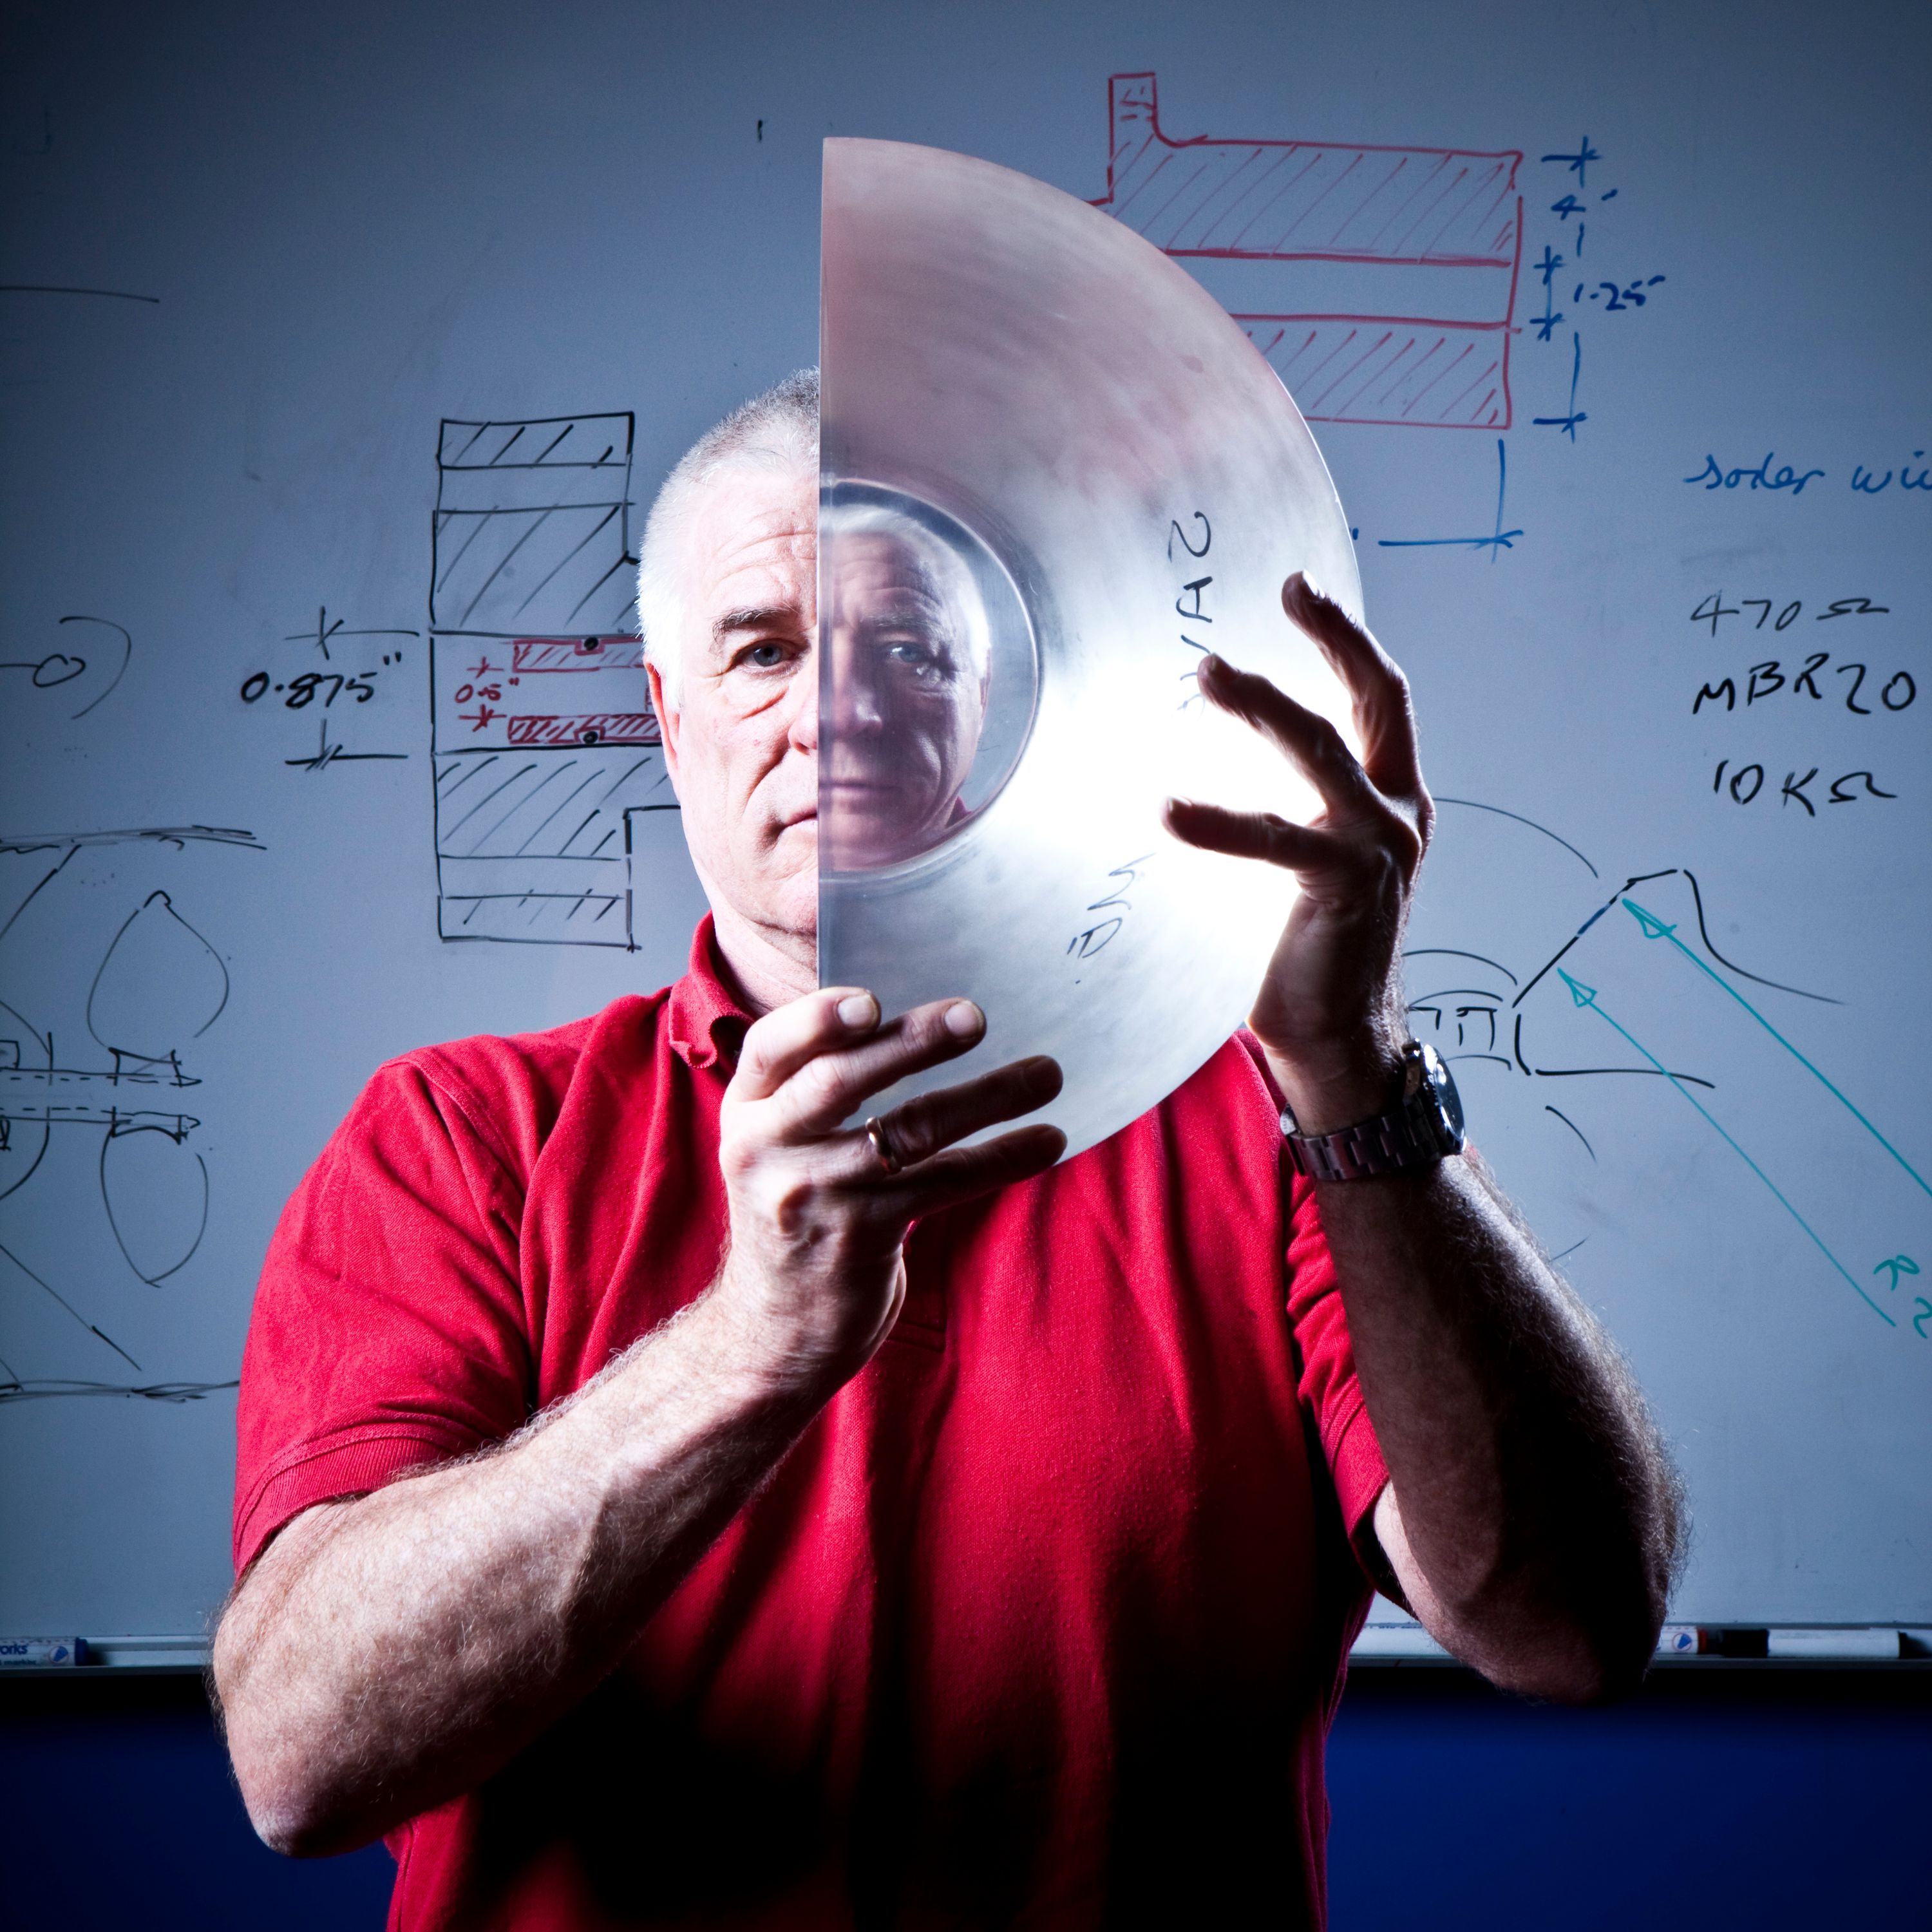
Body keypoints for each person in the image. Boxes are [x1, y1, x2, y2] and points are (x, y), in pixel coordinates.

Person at [214, 368, 1681, 1930]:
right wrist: (752, 1347)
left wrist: (1351, 1062)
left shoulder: (1272, 1129)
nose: (836, 712)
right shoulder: (460, 1139)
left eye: (909, 650)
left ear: (988, 706)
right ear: (670, 716)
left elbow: (1569, 1629)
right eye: (765, 650)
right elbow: (302, 1761)